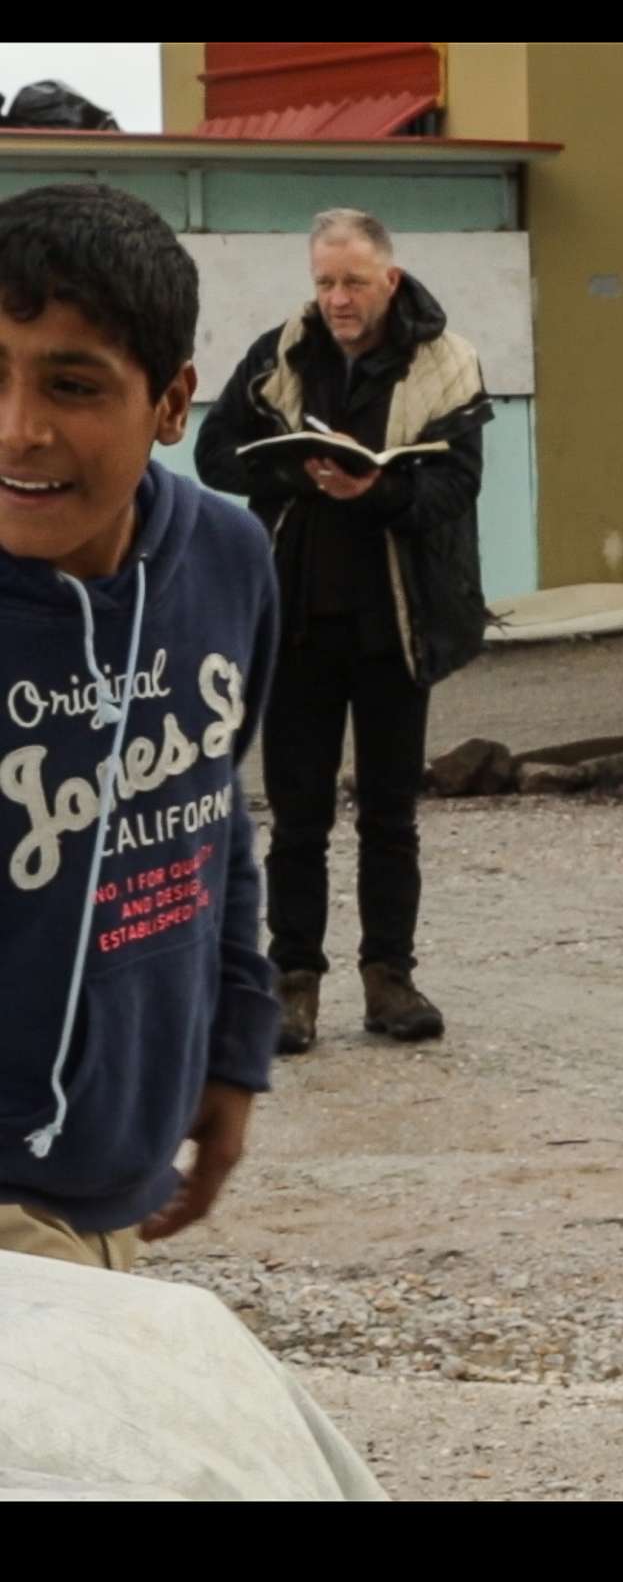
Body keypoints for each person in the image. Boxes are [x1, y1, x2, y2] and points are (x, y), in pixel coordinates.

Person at [0, 184, 281, 1268]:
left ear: (171, 404)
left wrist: (231, 1052)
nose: (20, 429)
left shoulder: (225, 559)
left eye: (72, 386)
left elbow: (212, 807)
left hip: (118, 1179)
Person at [196, 209, 491, 1052]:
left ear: (389, 280)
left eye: (353, 282)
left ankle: (388, 980)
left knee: (390, 814)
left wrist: (378, 492)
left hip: (397, 624)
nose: (336, 299)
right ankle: (293, 985)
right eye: (324, 282)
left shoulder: (446, 364)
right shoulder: (281, 354)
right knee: (296, 817)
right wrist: (302, 470)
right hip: (296, 625)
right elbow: (216, 456)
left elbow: (453, 491)